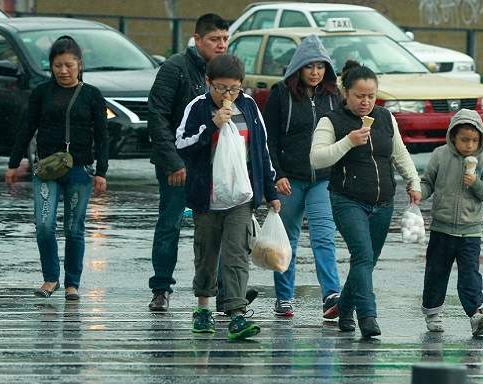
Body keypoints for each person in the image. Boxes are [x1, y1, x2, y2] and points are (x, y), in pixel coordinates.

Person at [147, 14, 256, 312]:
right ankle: (161, 288)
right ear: (197, 40)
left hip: (216, 167)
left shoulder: (227, 72)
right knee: (170, 224)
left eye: (225, 39)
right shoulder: (176, 69)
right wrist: (173, 162)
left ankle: (226, 291)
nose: (222, 45)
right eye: (215, 40)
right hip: (179, 164)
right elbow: (157, 116)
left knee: (219, 228)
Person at [310, 61, 421, 338]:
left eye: (371, 96)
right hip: (347, 199)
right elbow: (317, 158)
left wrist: (413, 182)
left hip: (383, 201)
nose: (366, 101)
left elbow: (399, 153)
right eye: (360, 95)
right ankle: (368, 316)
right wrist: (348, 140)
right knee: (362, 254)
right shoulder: (331, 120)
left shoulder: (385, 117)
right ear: (345, 93)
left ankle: (345, 307)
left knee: (367, 261)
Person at [175, 54, 280, 340]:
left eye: (234, 88)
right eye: (221, 88)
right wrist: (212, 125)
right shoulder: (197, 107)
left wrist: (270, 191)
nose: (228, 94)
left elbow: (261, 151)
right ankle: (203, 309)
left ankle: (237, 314)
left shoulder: (248, 107)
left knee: (236, 254)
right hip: (207, 197)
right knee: (206, 253)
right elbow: (182, 145)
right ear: (208, 82)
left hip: (241, 196)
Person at [4, 36, 108, 300]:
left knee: (75, 227)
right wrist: (13, 164)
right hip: (46, 170)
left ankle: (72, 283)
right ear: (51, 66)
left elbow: (102, 136)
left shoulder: (92, 95)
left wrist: (101, 172)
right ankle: (50, 279)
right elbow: (26, 127)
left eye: (69, 65)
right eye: (58, 65)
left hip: (80, 170)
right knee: (44, 225)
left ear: (79, 65)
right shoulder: (42, 93)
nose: (63, 71)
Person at [264, 35, 342, 319]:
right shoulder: (280, 94)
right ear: (298, 67)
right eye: (310, 66)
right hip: (289, 180)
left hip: (323, 179)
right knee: (286, 241)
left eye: (321, 66)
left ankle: (331, 296)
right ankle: (284, 298)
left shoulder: (334, 97)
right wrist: (277, 175)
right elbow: (268, 139)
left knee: (324, 237)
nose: (315, 72)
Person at [419, 109, 483, 337]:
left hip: (470, 232)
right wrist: (418, 193)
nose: (469, 145)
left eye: (474, 140)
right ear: (453, 136)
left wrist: (476, 183)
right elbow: (427, 183)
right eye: (464, 140)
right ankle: (433, 313)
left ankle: (477, 315)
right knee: (436, 272)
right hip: (441, 229)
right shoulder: (440, 155)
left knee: (470, 274)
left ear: (480, 139)